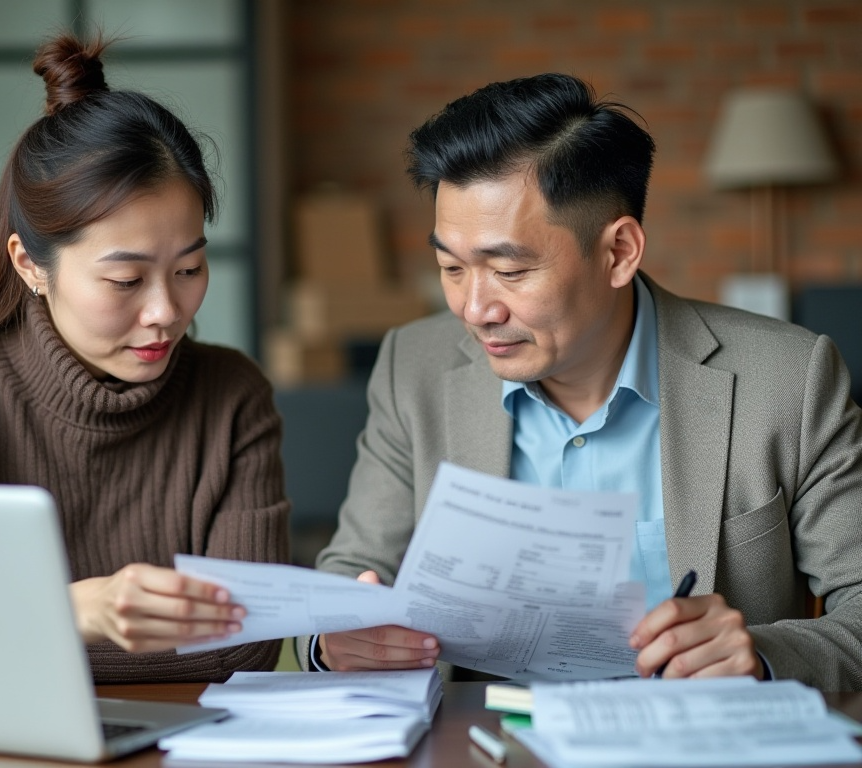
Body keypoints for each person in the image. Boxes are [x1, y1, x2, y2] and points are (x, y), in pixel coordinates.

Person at [300, 73, 862, 690]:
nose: (475, 308)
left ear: (619, 252)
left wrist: (759, 653)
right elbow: (350, 574)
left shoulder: (786, 379)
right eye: (451, 267)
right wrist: (334, 639)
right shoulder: (416, 366)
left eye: (510, 270)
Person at [0, 34, 289, 683]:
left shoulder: (233, 395)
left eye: (191, 268)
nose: (166, 312)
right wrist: (70, 614)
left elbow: (243, 644)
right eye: (125, 280)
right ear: (30, 264)